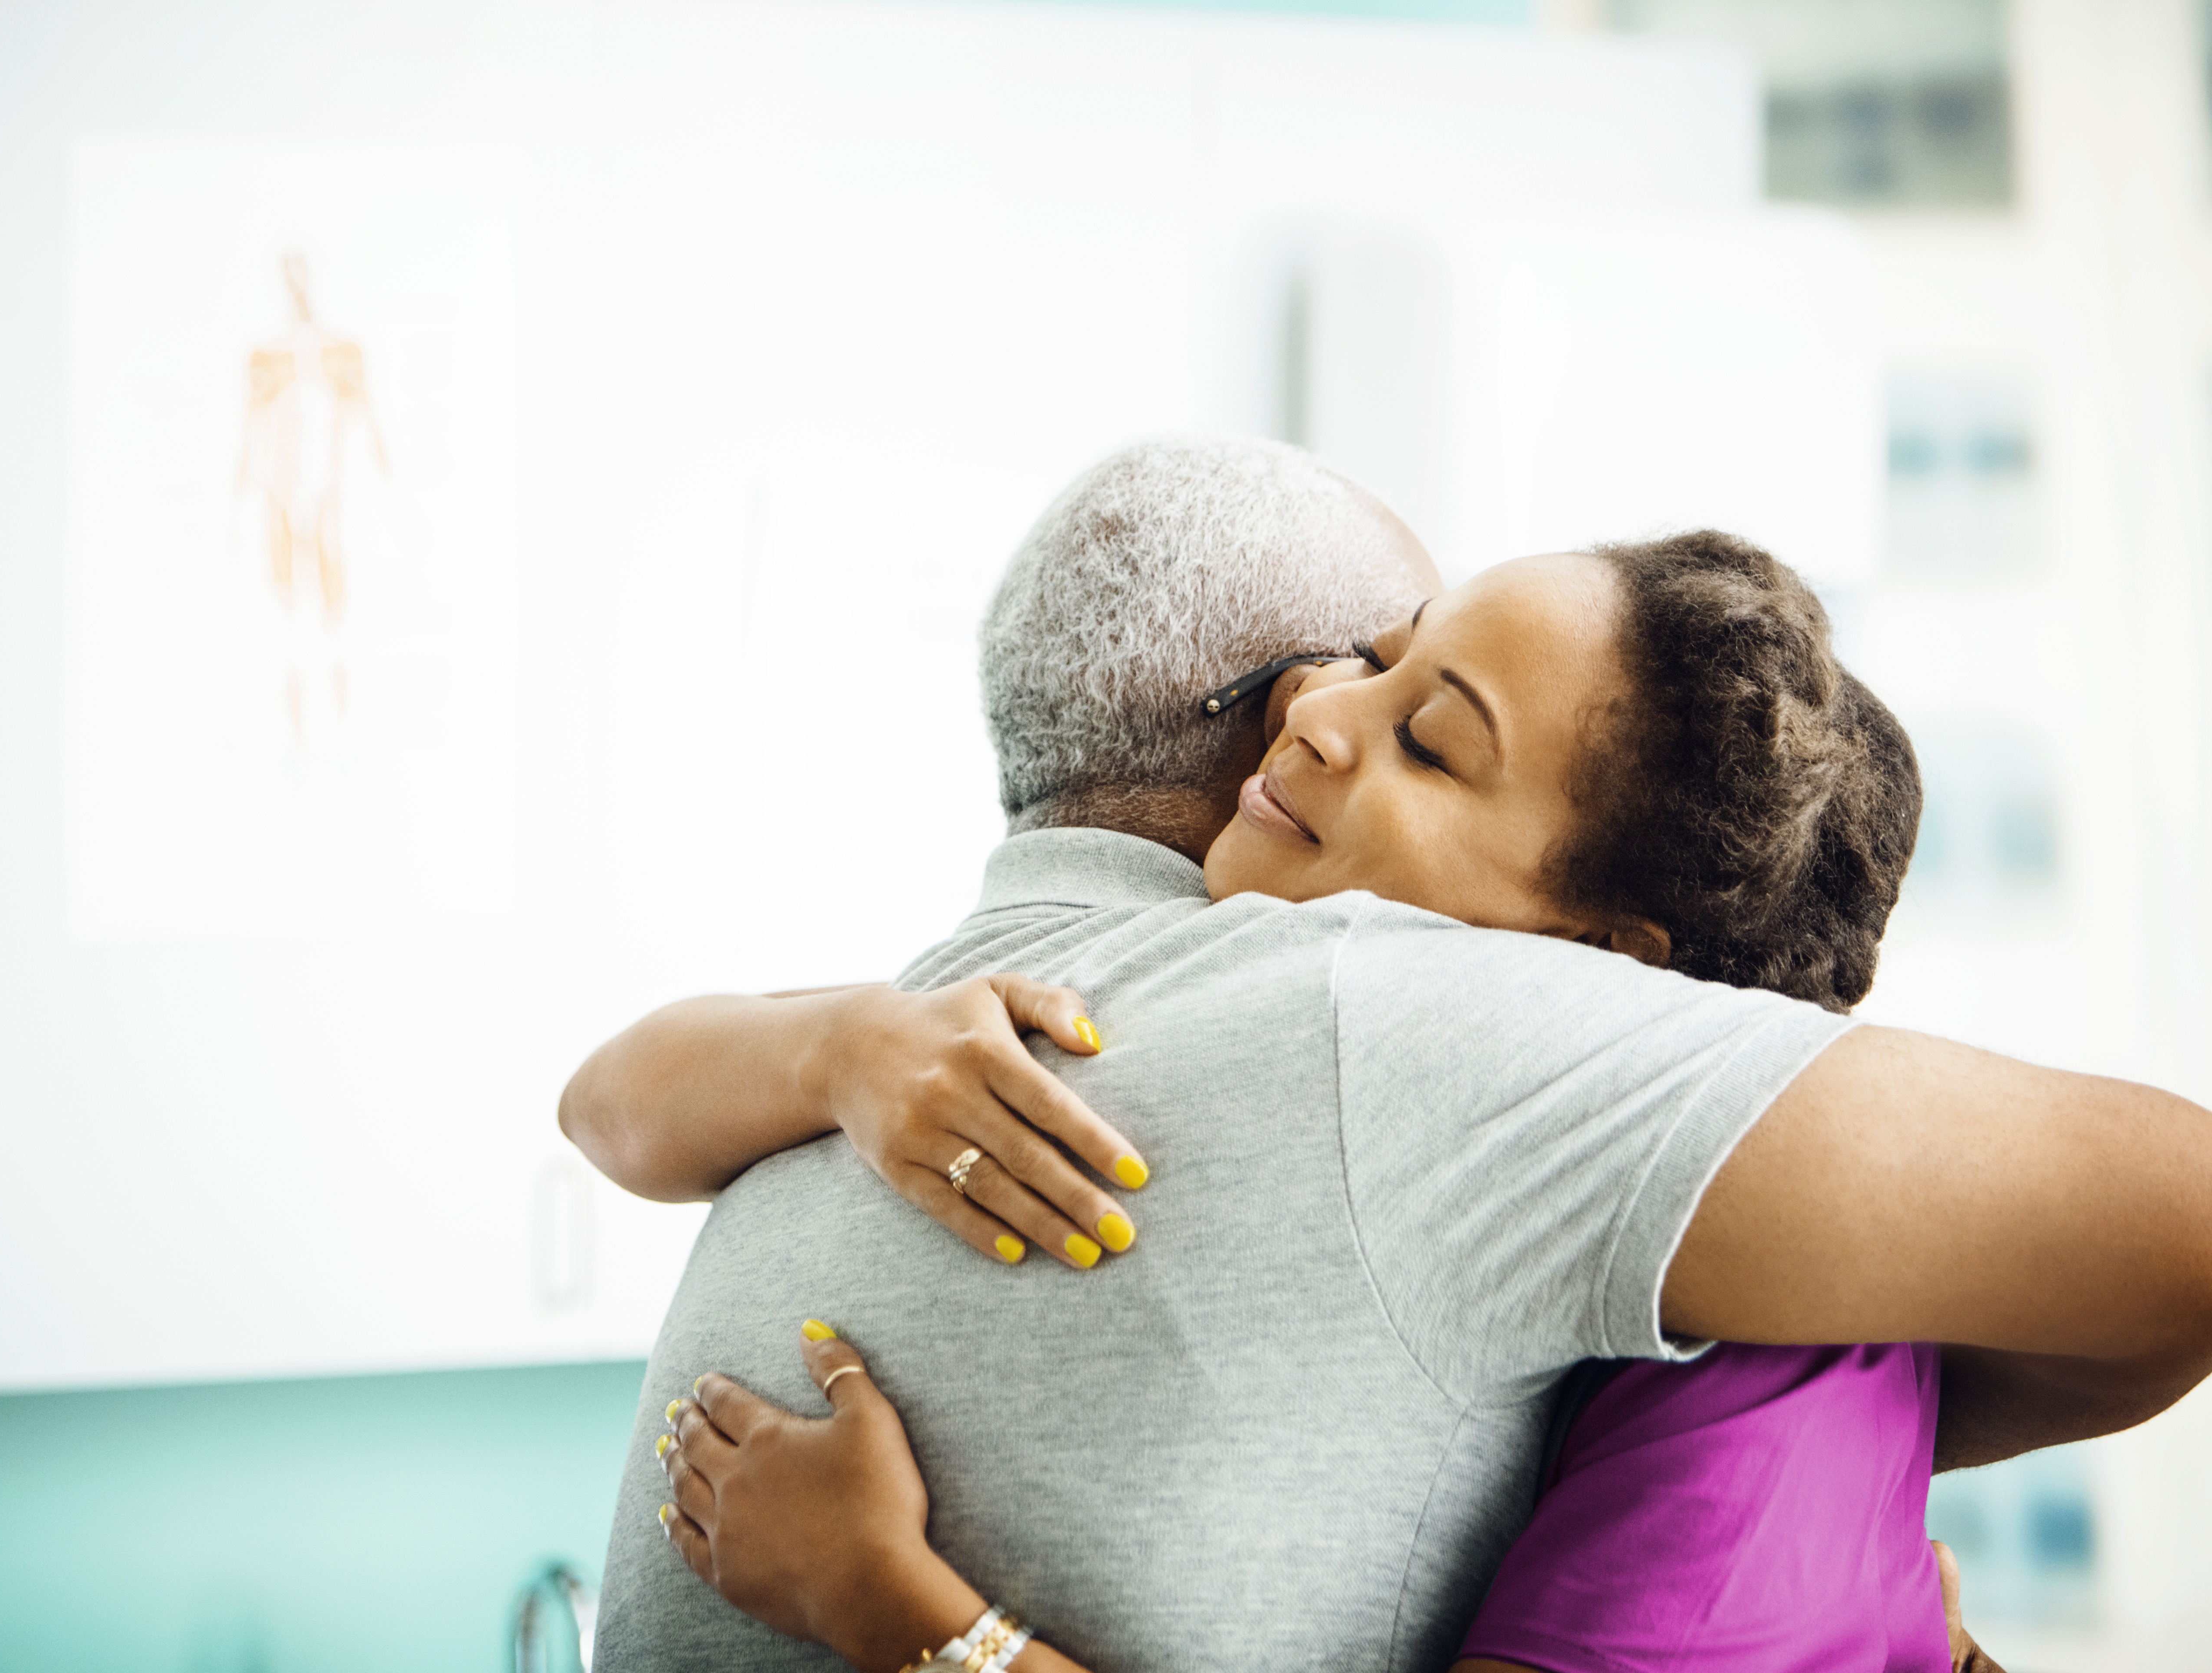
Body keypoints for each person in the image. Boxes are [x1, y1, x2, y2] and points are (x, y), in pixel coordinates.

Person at [568, 440, 2212, 1671]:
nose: (1320, 710)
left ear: (1615, 975)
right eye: (1373, 663)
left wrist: (925, 1622)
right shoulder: (970, 1022)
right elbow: (609, 1098)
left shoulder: (1426, 1027)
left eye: (1426, 728)